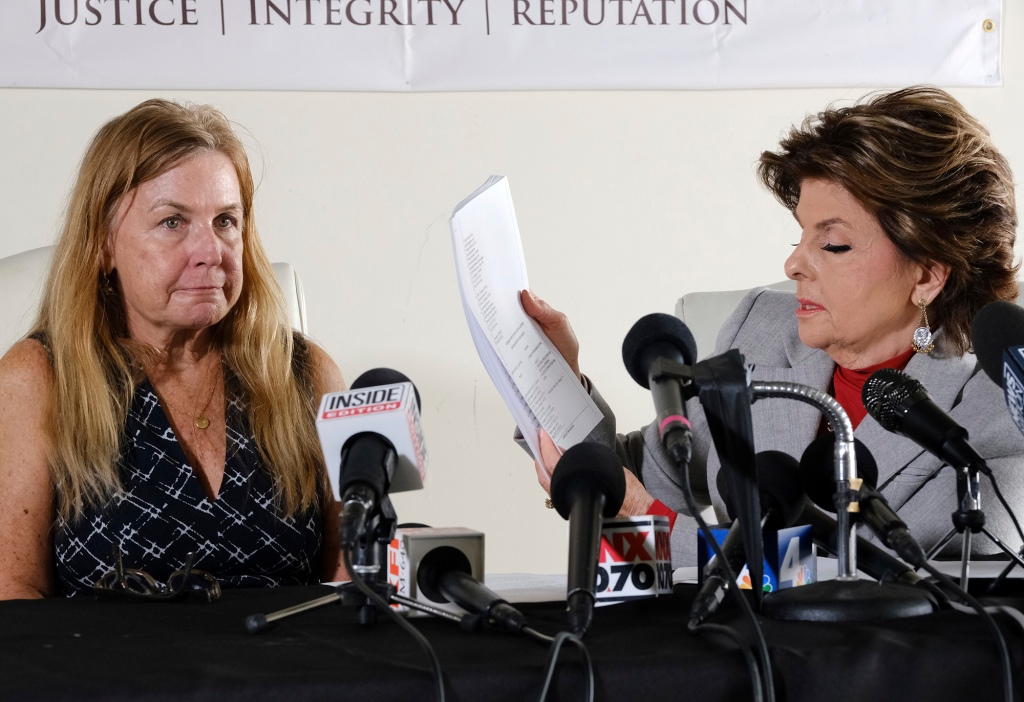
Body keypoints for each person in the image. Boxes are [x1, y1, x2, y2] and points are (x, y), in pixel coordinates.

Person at [520, 86, 1024, 566]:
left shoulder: (1001, 400)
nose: (794, 266)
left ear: (928, 274)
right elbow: (647, 470)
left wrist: (644, 519)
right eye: (799, 236)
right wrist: (555, 380)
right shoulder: (763, 328)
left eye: (833, 245)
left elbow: (869, 571)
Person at [0, 99, 347, 599]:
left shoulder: (307, 375)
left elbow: (351, 582)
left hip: (287, 672)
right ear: (102, 244)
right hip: (111, 674)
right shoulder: (39, 379)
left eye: (226, 221)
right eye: (172, 222)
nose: (210, 253)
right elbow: (13, 596)